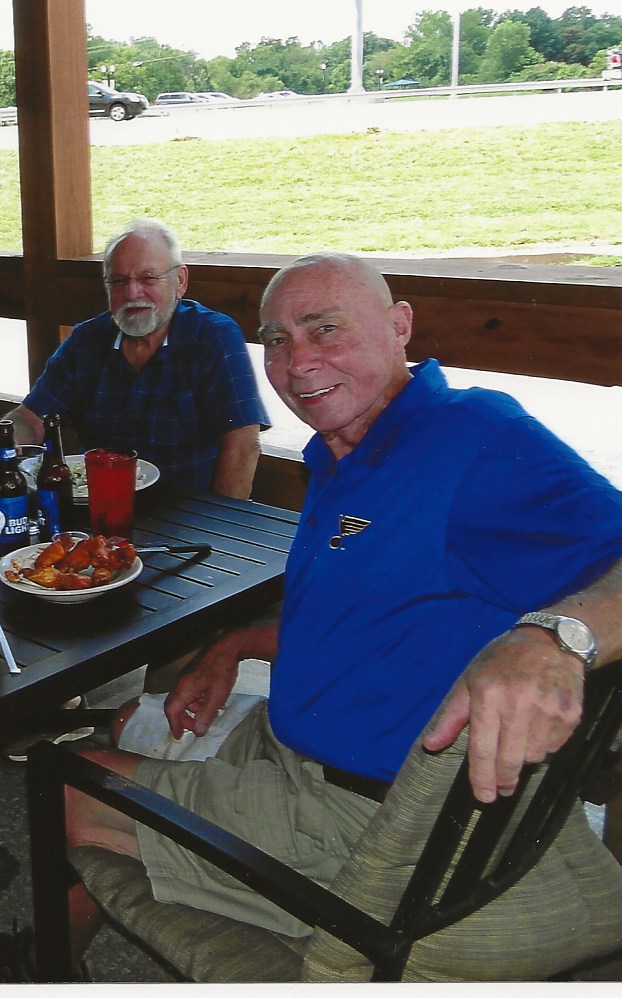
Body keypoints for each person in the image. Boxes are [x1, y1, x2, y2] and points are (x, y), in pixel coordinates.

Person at [63, 251, 622, 960]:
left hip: (368, 814)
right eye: (275, 340)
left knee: (70, 784)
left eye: (325, 329)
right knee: (126, 719)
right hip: (299, 742)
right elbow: (370, 612)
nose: (297, 362)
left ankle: (40, 958)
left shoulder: (471, 436)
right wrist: (235, 646)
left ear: (399, 327)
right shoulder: (343, 451)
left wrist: (558, 638)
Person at [0, 218, 269, 500]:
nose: (132, 293)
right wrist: (4, 438)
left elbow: (243, 445)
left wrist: (220, 526)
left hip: (188, 513)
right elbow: (30, 419)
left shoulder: (212, 336)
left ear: (180, 281)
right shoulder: (87, 340)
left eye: (148, 278)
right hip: (99, 506)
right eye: (119, 281)